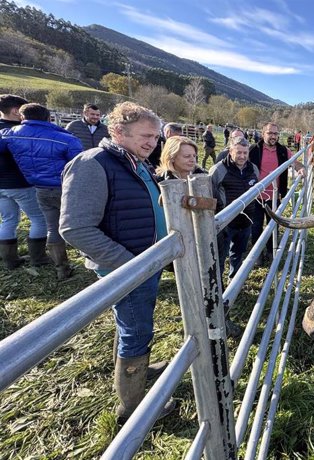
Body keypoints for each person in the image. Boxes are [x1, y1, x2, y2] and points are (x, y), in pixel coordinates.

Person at [59, 101, 174, 424]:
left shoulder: (135, 163)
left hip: (144, 263)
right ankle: (133, 406)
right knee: (137, 329)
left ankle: (134, 371)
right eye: (145, 135)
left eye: (155, 136)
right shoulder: (93, 164)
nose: (152, 142)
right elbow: (74, 228)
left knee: (133, 324)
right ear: (118, 131)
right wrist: (130, 264)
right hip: (127, 268)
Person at [3, 103, 81, 279]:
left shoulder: (10, 135)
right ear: (48, 118)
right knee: (80, 222)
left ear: (23, 117)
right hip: (67, 188)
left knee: (52, 227)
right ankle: (90, 256)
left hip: (41, 188)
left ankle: (61, 268)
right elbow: (79, 165)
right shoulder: (66, 138)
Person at [209, 137, 257, 337]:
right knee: (219, 258)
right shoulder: (218, 170)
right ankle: (218, 293)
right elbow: (210, 194)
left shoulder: (253, 168)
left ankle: (235, 283)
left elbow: (256, 189)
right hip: (225, 223)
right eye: (239, 152)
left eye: (245, 153)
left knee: (238, 253)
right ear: (230, 151)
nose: (242, 156)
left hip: (245, 221)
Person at [0, 94, 51, 269]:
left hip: (1, 185)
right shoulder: (20, 132)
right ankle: (38, 258)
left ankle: (9, 260)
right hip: (20, 183)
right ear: (15, 111)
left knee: (9, 220)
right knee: (39, 219)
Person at [249, 122, 305, 262]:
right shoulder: (254, 149)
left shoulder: (283, 150)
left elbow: (295, 162)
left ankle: (270, 250)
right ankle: (257, 254)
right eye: (270, 133)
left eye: (275, 133)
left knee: (273, 226)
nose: (273, 136)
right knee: (256, 227)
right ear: (263, 134)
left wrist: (301, 168)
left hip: (275, 196)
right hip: (256, 196)